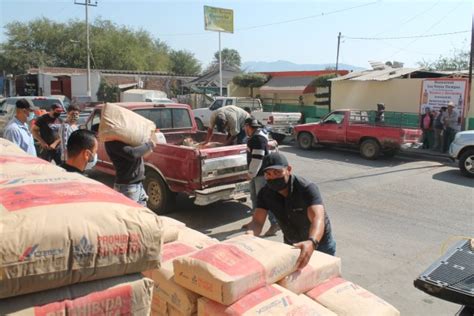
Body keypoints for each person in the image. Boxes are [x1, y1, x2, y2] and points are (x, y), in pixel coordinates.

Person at [247, 152, 336, 269]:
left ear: (288, 169)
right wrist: (248, 237)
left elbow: (317, 218)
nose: (273, 177)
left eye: (277, 172)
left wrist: (311, 242)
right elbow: (257, 222)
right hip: (292, 244)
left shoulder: (306, 188)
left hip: (319, 244)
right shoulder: (265, 193)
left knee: (323, 281)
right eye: (268, 174)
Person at [241, 117, 280, 236]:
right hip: (256, 174)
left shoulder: (257, 139)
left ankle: (275, 224)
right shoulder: (255, 136)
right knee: (254, 198)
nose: (244, 130)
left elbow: (258, 158)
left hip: (261, 174)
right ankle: (254, 221)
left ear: (248, 126)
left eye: (245, 127)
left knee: (264, 200)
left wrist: (250, 174)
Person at [105, 138, 156, 206]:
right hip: (127, 187)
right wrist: (149, 144)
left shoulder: (127, 139)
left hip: (137, 185)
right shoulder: (111, 142)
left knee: (141, 215)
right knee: (130, 215)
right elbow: (133, 153)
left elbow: (140, 154)